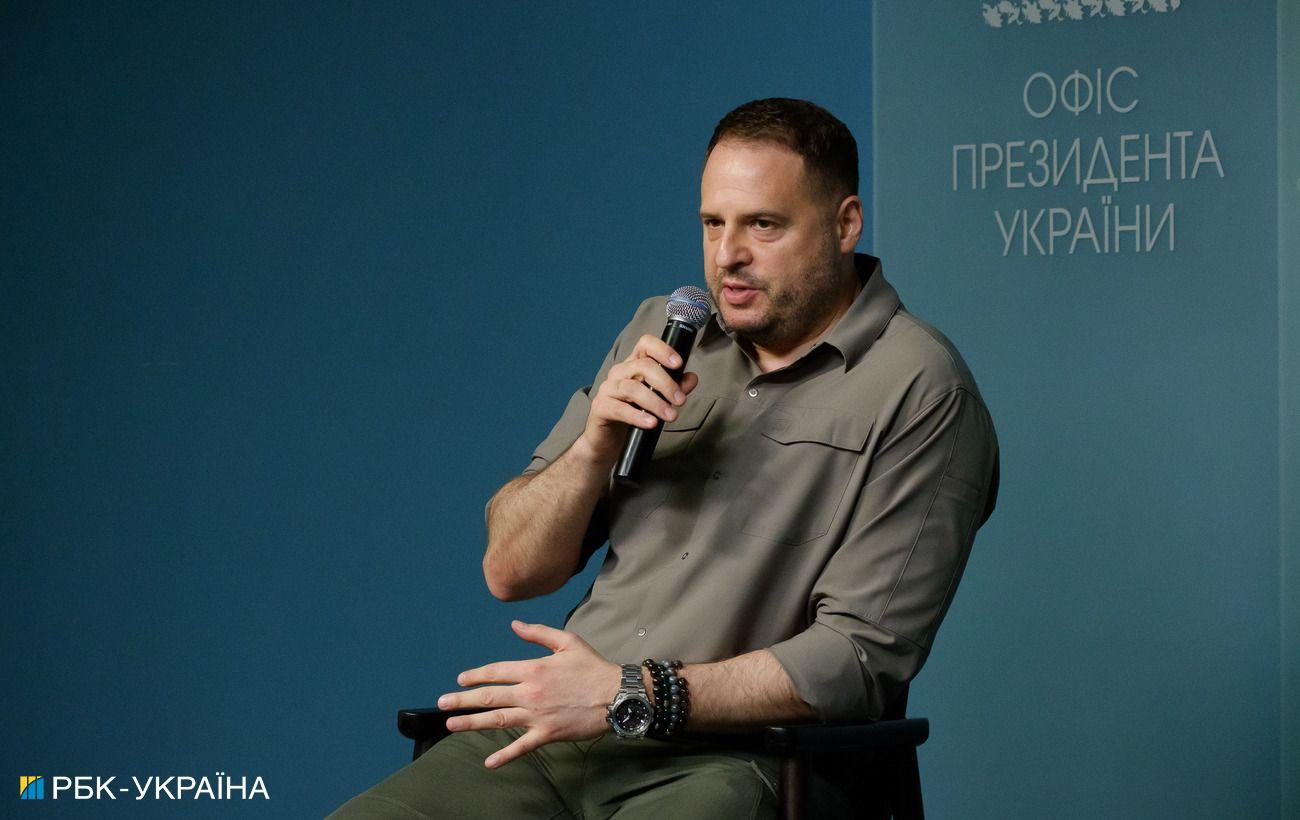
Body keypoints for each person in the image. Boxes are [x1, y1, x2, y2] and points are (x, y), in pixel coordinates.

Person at [329, 98, 999, 820]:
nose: (727, 255)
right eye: (713, 223)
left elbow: (858, 660)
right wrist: (594, 445)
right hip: (558, 734)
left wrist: (630, 693)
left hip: (733, 760)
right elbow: (511, 571)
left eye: (763, 225)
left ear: (845, 224)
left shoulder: (921, 388)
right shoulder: (664, 331)